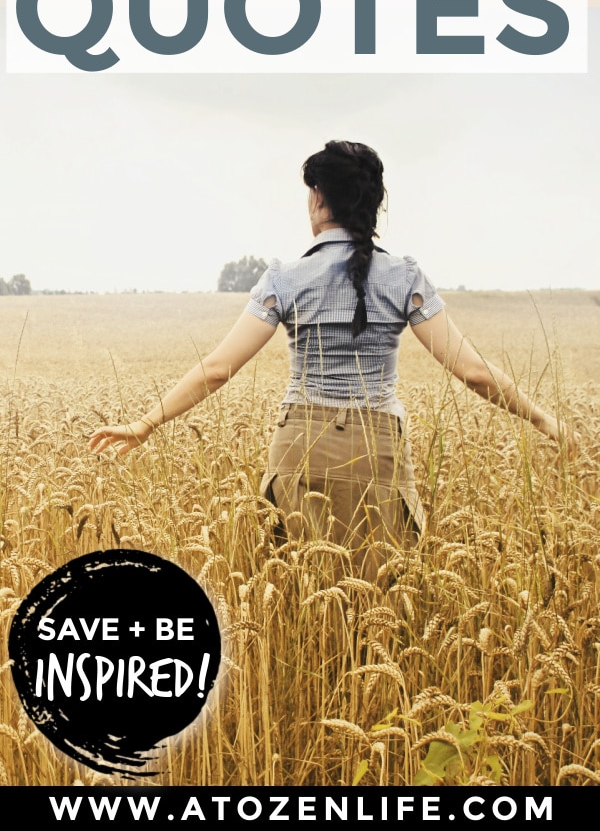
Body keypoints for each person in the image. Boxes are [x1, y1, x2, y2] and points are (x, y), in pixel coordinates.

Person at [89, 140, 572, 571]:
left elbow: (217, 368)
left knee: (298, 585)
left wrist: (146, 422)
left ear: (318, 199)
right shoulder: (405, 277)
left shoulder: (284, 278)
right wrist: (544, 421)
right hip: (376, 442)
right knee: (380, 585)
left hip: (301, 440)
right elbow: (473, 372)